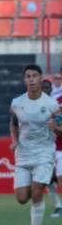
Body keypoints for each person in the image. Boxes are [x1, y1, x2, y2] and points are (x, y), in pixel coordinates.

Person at [9, 64, 61, 225]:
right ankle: (36, 187)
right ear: (24, 80)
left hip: (44, 152)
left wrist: (57, 127)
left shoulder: (52, 105)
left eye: (34, 76)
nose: (31, 79)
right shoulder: (17, 103)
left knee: (37, 192)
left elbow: (61, 128)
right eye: (28, 76)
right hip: (23, 154)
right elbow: (13, 123)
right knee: (22, 198)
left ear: (40, 79)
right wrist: (14, 140)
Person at [43, 78, 62, 217]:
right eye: (42, 86)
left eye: (46, 87)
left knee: (60, 177)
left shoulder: (56, 104)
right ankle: (58, 206)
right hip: (43, 148)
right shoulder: (31, 104)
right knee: (47, 179)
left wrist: (55, 128)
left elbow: (59, 126)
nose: (44, 89)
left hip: (59, 147)